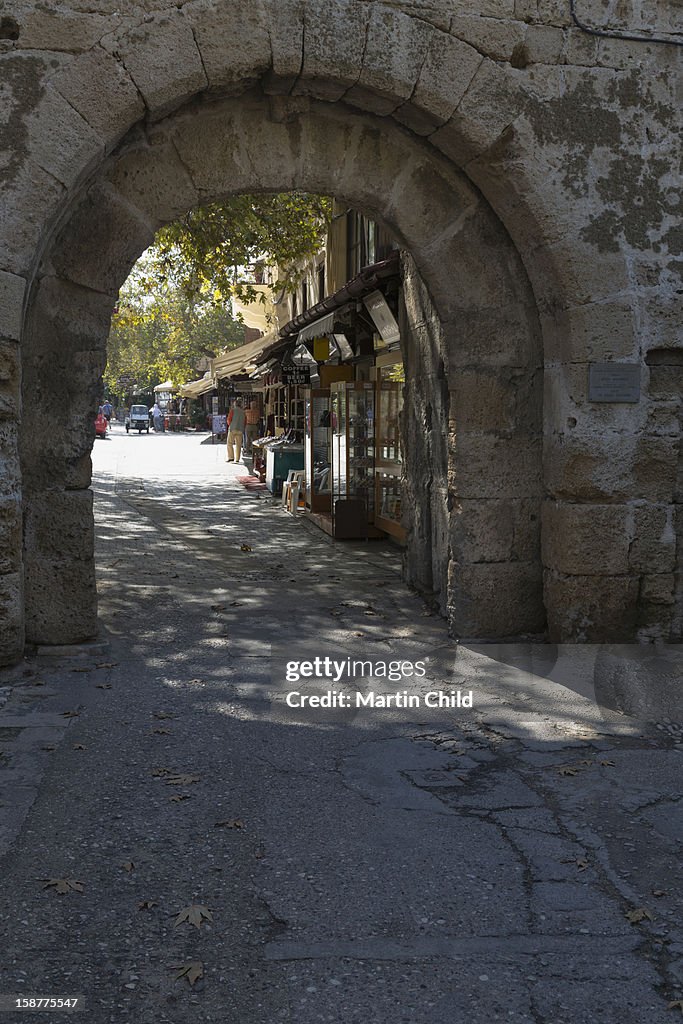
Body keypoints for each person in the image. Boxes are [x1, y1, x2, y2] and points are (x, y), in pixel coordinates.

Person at [226, 398, 246, 462]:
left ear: (235, 404)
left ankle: (231, 457)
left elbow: (229, 419)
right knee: (239, 445)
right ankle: (237, 459)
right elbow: (245, 421)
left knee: (229, 443)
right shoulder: (243, 412)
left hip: (233, 429)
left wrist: (230, 425)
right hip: (240, 430)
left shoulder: (233, 410)